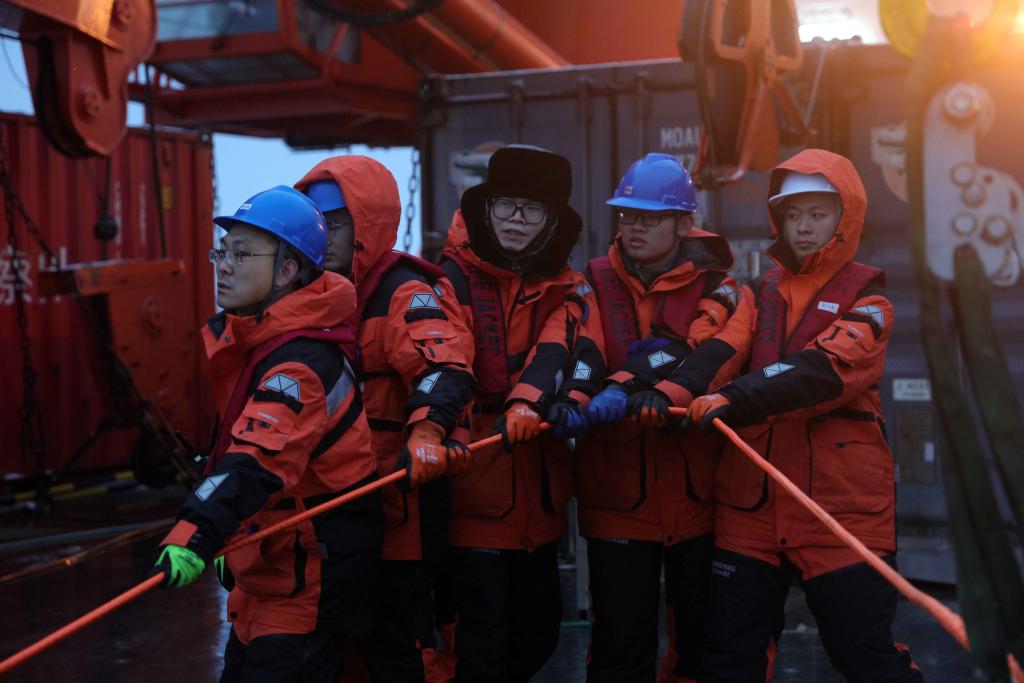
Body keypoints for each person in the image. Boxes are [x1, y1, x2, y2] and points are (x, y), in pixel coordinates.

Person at [662, 149, 922, 682]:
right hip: (749, 510)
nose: (803, 227)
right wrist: (664, 393)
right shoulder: (756, 295)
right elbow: (720, 352)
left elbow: (821, 371)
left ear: (845, 217)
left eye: (817, 214)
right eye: (793, 214)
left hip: (840, 512)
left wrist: (735, 397)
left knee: (865, 656)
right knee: (729, 659)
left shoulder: (871, 304)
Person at [151, 185, 384, 682]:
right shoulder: (262, 342)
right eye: (221, 252)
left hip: (305, 583)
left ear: (286, 271)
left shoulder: (298, 366)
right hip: (271, 572)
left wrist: (196, 532)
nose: (224, 266)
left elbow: (255, 462)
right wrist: (231, 538)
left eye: (241, 254)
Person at [295, 156, 476, 682]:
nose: (322, 235)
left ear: (366, 224)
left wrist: (427, 431)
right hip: (323, 517)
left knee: (398, 655)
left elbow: (444, 367)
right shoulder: (301, 294)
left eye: (335, 223)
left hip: (394, 517)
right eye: (313, 221)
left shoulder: (403, 292)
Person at [439, 144, 603, 683]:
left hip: (538, 492)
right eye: (505, 205)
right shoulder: (447, 279)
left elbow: (559, 349)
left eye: (532, 209)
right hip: (470, 492)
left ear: (552, 220)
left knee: (539, 634)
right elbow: (442, 360)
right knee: (479, 643)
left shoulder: (570, 288)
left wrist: (531, 401)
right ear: (485, 208)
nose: (515, 219)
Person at [578, 153, 739, 683]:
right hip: (616, 495)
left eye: (650, 217)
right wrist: (578, 397)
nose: (635, 227)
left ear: (685, 224)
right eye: (627, 215)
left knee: (700, 644)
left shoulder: (720, 286)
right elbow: (578, 350)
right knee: (619, 647)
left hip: (696, 495)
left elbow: (711, 356)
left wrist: (637, 386)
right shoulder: (590, 281)